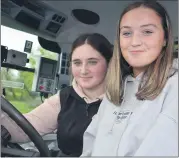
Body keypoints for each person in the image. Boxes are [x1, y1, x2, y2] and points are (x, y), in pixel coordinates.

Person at [81, 1, 178, 156]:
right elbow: (90, 145)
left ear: (165, 38)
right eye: (126, 33)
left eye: (147, 32)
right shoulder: (115, 90)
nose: (134, 42)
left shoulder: (174, 87)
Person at [1, 33, 113, 156]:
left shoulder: (124, 100)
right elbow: (24, 129)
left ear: (109, 64)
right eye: (77, 63)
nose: (83, 70)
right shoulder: (64, 98)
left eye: (92, 62)